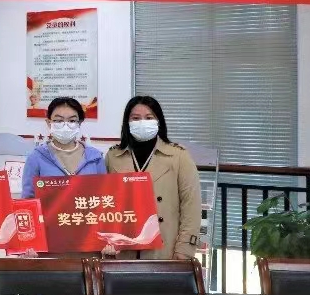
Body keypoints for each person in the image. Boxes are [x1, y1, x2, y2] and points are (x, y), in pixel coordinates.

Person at [104, 96, 202, 260]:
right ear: (127, 123)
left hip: (166, 251)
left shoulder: (178, 156)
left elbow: (191, 205)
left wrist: (184, 250)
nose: (142, 122)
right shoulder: (114, 156)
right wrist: (107, 241)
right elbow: (105, 205)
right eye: (136, 118)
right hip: (122, 251)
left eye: (149, 118)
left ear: (158, 121)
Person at [20, 97, 106, 199]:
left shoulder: (95, 157)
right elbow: (28, 199)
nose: (65, 126)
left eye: (72, 120)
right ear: (49, 123)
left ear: (79, 123)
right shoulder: (36, 157)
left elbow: (104, 194)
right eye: (58, 121)